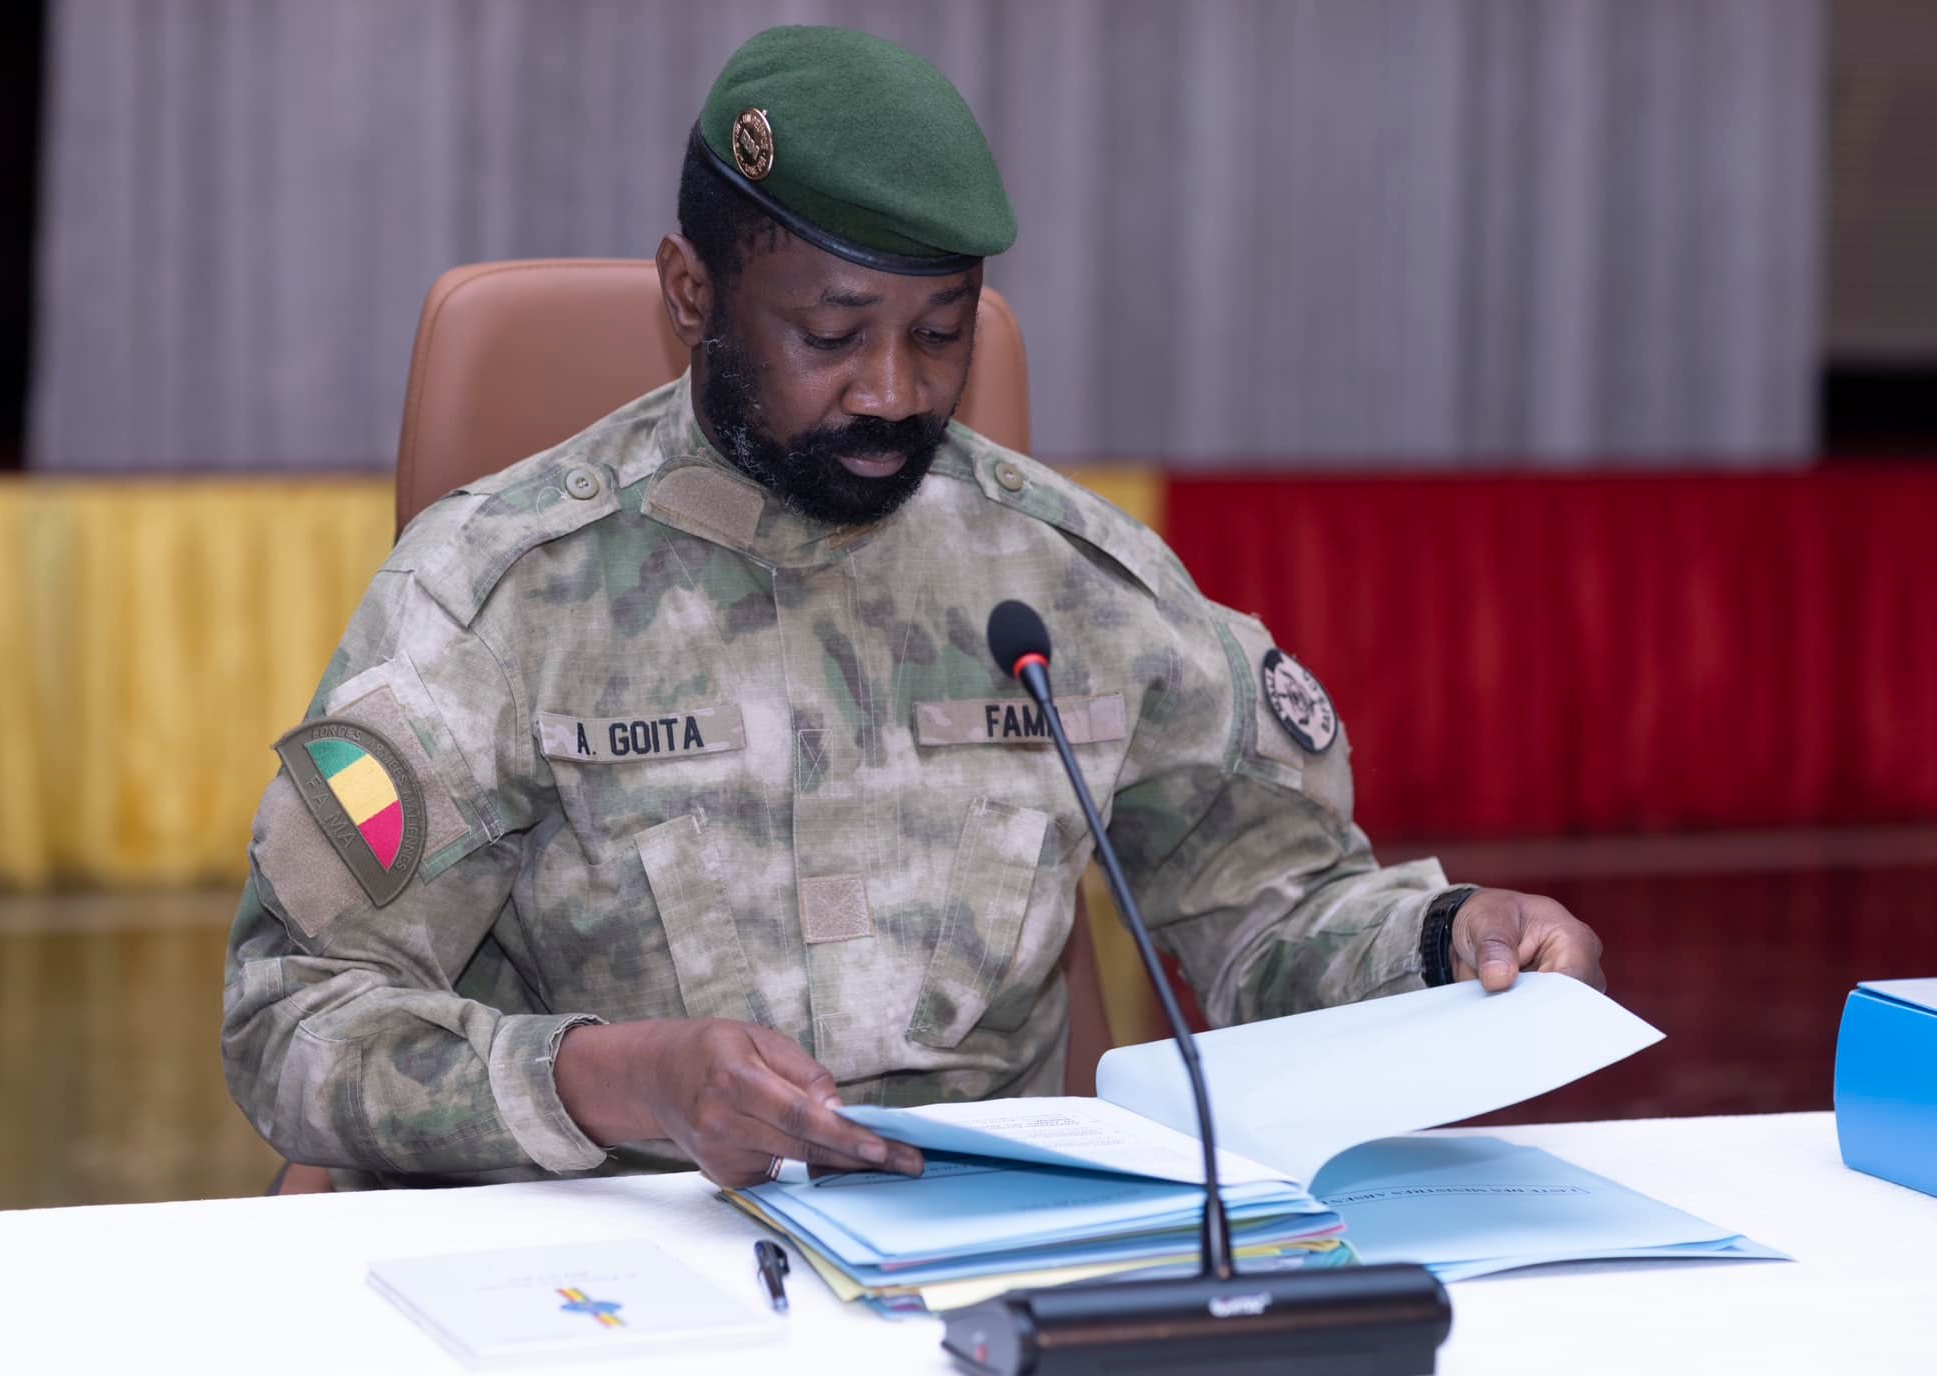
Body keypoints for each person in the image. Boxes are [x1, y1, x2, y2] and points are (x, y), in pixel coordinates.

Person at [223, 25, 1604, 1194]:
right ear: (691, 293)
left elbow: (1268, 915)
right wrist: (608, 1080)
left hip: (994, 1256)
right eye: (831, 336)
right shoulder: (500, 594)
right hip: (618, 1262)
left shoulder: (1066, 584)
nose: (893, 391)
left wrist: (1446, 945)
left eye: (940, 332)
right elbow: (295, 1015)